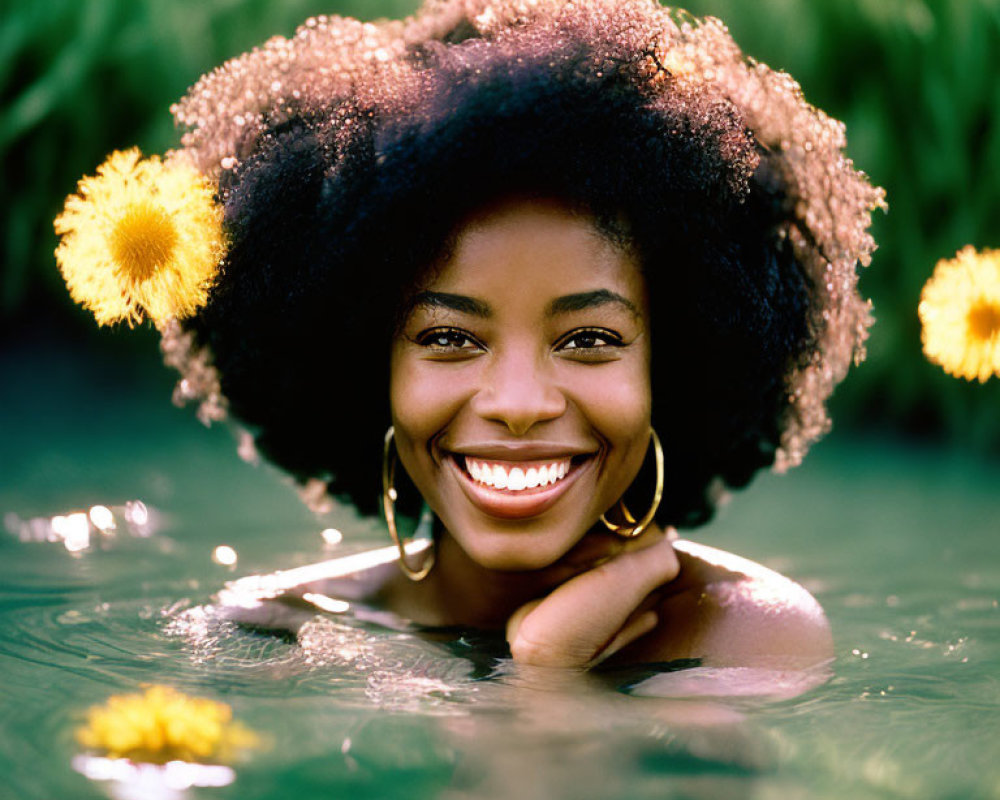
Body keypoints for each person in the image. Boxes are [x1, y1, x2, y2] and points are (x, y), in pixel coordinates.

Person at [54, 0, 884, 673]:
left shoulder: (742, 636)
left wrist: (548, 686)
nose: (519, 404)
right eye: (450, 340)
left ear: (677, 364)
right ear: (364, 365)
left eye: (589, 339)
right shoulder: (268, 631)